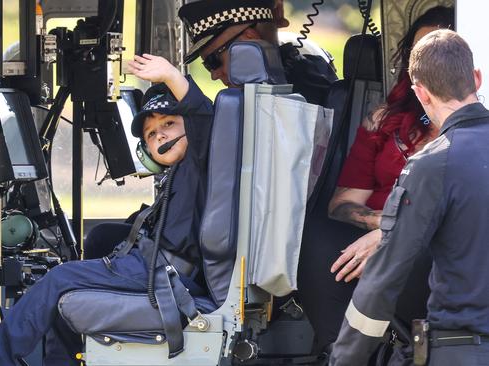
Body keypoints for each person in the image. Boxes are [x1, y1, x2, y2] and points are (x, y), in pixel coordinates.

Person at [0, 55, 214, 365]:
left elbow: (202, 117)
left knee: (59, 279)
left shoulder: (199, 161)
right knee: (99, 241)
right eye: (150, 134)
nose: (159, 135)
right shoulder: (177, 173)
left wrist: (173, 77)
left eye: (169, 123)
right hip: (152, 265)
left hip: (164, 273)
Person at [330, 29, 489, 365]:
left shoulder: (432, 165)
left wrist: (344, 358)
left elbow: (383, 282)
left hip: (462, 350)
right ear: (476, 78)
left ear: (420, 93)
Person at [329, 7, 454, 280]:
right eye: (418, 53)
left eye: (438, 54)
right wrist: (381, 224)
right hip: (372, 236)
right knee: (320, 246)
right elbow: (343, 203)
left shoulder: (475, 125)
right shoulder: (383, 119)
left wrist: (393, 236)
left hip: (436, 250)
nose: (426, 65)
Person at [178, 0, 337, 106]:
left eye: (214, 61)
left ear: (250, 39)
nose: (214, 75)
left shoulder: (305, 96)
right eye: (207, 66)